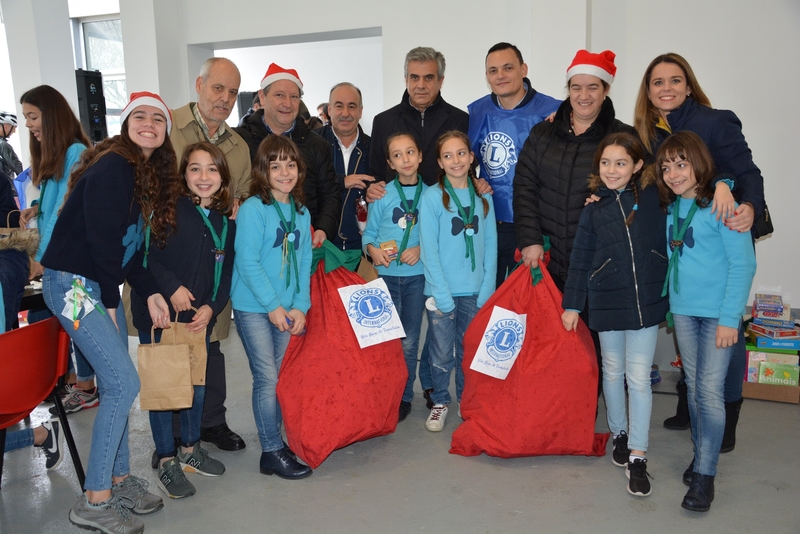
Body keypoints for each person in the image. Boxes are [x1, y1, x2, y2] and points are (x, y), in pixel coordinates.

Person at [41, 92, 174, 533]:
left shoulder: (140, 173)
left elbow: (129, 250)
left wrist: (151, 291)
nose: (150, 123)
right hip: (75, 287)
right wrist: (114, 305)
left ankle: (118, 481)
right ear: (125, 123)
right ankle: (94, 499)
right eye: (141, 116)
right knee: (122, 381)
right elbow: (101, 241)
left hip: (93, 285)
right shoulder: (115, 166)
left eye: (159, 118)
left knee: (119, 383)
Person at [634, 53, 763, 449]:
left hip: (724, 226)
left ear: (689, 86)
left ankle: (728, 412)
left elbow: (746, 172)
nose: (667, 88)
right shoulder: (649, 131)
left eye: (675, 80)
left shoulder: (715, 120)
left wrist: (746, 205)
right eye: (658, 82)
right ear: (649, 91)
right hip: (681, 234)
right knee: (690, 327)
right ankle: (694, 407)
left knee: (727, 331)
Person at [561, 133, 669, 497]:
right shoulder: (594, 209)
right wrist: (572, 304)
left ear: (638, 165)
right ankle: (619, 432)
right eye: (605, 163)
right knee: (612, 371)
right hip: (606, 300)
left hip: (647, 303)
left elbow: (692, 178)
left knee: (638, 379)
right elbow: (579, 259)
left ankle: (638, 455)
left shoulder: (656, 198)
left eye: (621, 163)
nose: (611, 170)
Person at [656, 131, 756, 512]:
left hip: (718, 317)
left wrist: (732, 319)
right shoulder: (671, 209)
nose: (673, 173)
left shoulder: (721, 206)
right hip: (683, 311)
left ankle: (705, 475)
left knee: (710, 392)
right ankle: (701, 456)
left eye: (681, 164)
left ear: (699, 164)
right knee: (695, 387)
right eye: (666, 167)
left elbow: (743, 264)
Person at [130, 142, 235, 498]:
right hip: (161, 316)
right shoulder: (167, 209)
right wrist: (171, 286)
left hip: (197, 320)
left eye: (212, 169)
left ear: (223, 177)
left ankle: (191, 450)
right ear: (183, 174)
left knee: (195, 386)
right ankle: (165, 459)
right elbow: (143, 258)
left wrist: (213, 306)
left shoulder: (225, 222)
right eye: (195, 168)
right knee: (164, 390)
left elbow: (227, 271)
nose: (203, 177)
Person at [167, 56, 251, 453]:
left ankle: (212, 422)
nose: (225, 98)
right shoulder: (167, 127)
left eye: (233, 92)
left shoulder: (237, 145)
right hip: (175, 254)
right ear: (199, 84)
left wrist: (240, 201)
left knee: (212, 345)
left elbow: (246, 191)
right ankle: (174, 435)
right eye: (218, 88)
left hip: (214, 260)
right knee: (172, 349)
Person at [231, 135, 313, 480]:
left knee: (281, 379)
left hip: (287, 308)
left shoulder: (301, 210)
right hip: (254, 307)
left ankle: (276, 442)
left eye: (290, 164)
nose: (284, 172)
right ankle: (271, 449)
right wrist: (273, 307)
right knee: (266, 378)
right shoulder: (253, 209)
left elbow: (305, 260)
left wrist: (300, 306)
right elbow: (248, 262)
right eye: (275, 165)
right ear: (262, 170)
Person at [18, 86, 99, 414]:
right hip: (65, 263)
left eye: (32, 116)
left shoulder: (75, 151)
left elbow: (63, 212)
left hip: (73, 266)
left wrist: (40, 258)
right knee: (73, 323)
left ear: (50, 116)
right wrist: (36, 207)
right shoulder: (61, 152)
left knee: (79, 324)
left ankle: (87, 386)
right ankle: (81, 383)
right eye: (25, 118)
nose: (27, 125)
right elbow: (54, 202)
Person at [419, 131, 497, 432]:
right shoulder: (431, 197)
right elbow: (430, 248)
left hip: (475, 290)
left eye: (461, 153)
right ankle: (440, 401)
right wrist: (441, 292)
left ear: (471, 157)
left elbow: (490, 244)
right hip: (443, 291)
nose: (456, 160)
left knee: (469, 350)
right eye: (448, 155)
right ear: (439, 162)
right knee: (440, 352)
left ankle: (467, 399)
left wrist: (487, 287)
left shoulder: (483, 195)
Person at [468, 43, 561, 287]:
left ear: (524, 69)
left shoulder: (553, 111)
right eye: (493, 70)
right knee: (491, 297)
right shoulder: (476, 112)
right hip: (489, 222)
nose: (500, 76)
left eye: (508, 68)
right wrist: (471, 179)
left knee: (531, 301)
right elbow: (464, 159)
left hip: (536, 223)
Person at [235, 63, 341, 248]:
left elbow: (330, 194)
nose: (288, 103)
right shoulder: (239, 140)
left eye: (294, 97)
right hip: (253, 243)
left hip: (304, 243)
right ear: (262, 96)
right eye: (279, 95)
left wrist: (323, 229)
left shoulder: (317, 145)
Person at [362, 133, 429, 422]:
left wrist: (421, 249)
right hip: (386, 279)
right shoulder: (383, 195)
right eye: (398, 155)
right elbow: (369, 234)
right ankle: (387, 389)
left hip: (417, 278)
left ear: (421, 156)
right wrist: (372, 251)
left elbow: (439, 237)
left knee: (410, 340)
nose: (405, 159)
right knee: (387, 339)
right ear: (390, 162)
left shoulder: (433, 195)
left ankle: (403, 396)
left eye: (410, 152)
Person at [368, 47, 470, 194]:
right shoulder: (383, 122)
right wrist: (372, 187)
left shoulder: (460, 120)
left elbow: (468, 169)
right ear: (406, 79)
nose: (421, 85)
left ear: (440, 81)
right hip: (398, 210)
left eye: (428, 78)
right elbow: (376, 173)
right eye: (414, 77)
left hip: (447, 209)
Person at [315, 82, 373, 251]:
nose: (345, 113)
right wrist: (341, 181)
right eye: (339, 106)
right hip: (320, 246)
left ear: (361, 111)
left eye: (352, 107)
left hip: (363, 250)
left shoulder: (375, 147)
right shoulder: (312, 144)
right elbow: (302, 187)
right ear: (329, 110)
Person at [0, 111, 23, 187]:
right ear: (6, 126)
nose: (14, 131)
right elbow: (19, 169)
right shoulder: (3, 145)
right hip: (6, 192)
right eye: (13, 127)